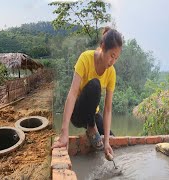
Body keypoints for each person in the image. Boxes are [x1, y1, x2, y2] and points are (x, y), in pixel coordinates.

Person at [52, 27, 123, 159]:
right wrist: (64, 131)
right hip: (78, 114)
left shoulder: (111, 72)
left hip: (93, 115)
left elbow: (107, 109)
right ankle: (91, 127)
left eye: (116, 58)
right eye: (111, 56)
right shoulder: (85, 58)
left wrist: (107, 142)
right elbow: (72, 93)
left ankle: (99, 149)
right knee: (95, 85)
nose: (112, 62)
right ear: (102, 46)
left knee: (112, 139)